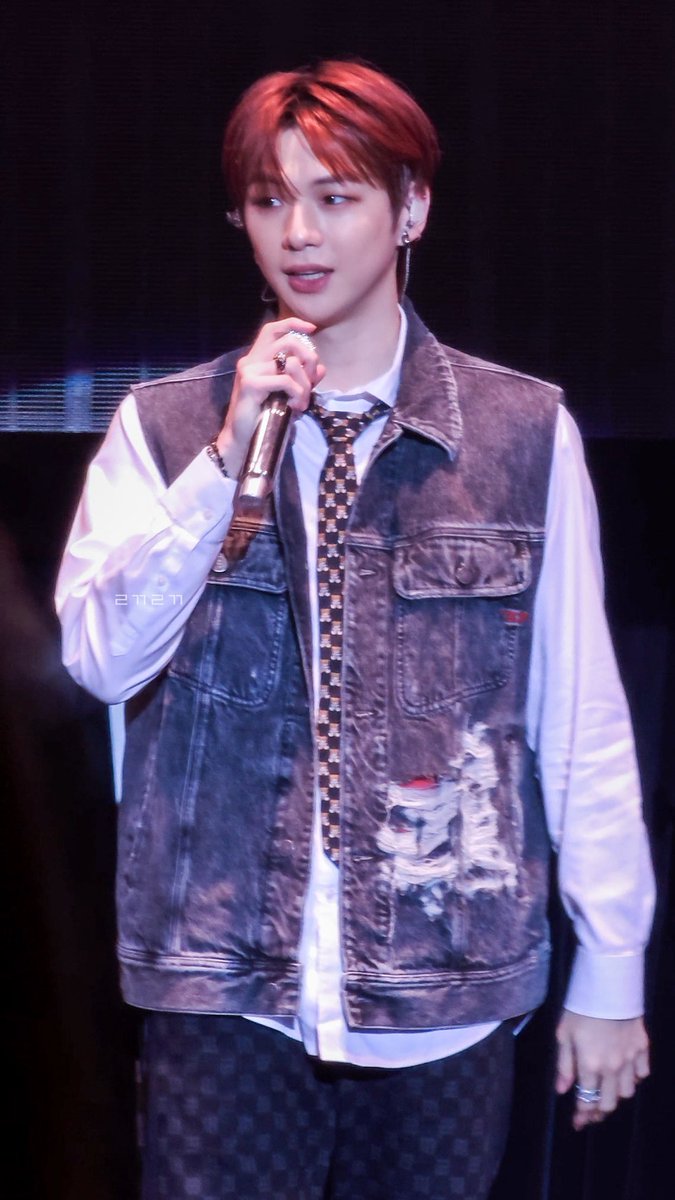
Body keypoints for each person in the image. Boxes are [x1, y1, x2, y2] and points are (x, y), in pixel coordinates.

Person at [55, 60, 654, 1200]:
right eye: (269, 200)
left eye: (335, 197)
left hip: (446, 976)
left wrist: (611, 967)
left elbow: (578, 716)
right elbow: (98, 659)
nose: (299, 233)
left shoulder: (521, 432)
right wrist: (225, 462)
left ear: (411, 208)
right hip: (223, 979)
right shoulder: (165, 426)